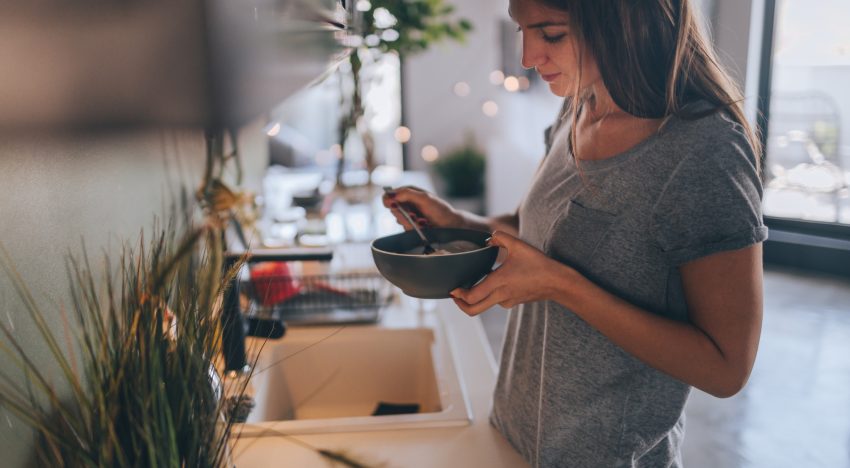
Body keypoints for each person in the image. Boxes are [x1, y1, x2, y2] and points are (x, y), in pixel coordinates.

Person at [383, 0, 767, 466]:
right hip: (513, 438)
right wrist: (459, 225)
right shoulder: (578, 106)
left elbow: (726, 367)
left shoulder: (704, 152)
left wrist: (561, 286)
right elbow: (534, 232)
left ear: (624, 20)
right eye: (521, 30)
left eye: (551, 34)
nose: (527, 57)